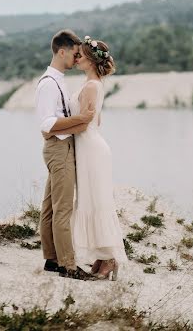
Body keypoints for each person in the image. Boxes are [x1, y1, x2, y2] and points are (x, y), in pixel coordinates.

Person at [43, 35, 127, 280]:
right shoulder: (91, 84)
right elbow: (95, 119)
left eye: (81, 55)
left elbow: (87, 123)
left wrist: (52, 129)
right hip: (87, 146)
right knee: (92, 201)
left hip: (91, 149)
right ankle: (102, 258)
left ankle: (109, 259)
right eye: (76, 54)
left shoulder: (91, 86)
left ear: (90, 61)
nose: (76, 58)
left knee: (97, 202)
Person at [35, 29, 96, 281]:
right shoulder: (48, 84)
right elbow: (46, 123)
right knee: (63, 209)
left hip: (61, 146)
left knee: (50, 206)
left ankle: (51, 259)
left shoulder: (59, 79)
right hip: (58, 149)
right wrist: (80, 119)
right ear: (62, 51)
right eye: (74, 53)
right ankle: (68, 266)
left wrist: (77, 124)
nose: (76, 57)